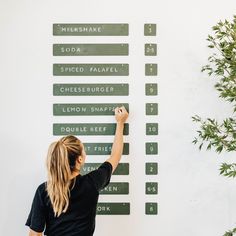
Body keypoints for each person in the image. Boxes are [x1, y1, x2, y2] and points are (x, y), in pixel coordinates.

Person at [25, 106, 129, 236]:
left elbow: (34, 234)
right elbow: (115, 157)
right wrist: (120, 123)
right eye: (84, 150)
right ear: (80, 159)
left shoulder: (44, 191)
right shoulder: (92, 183)